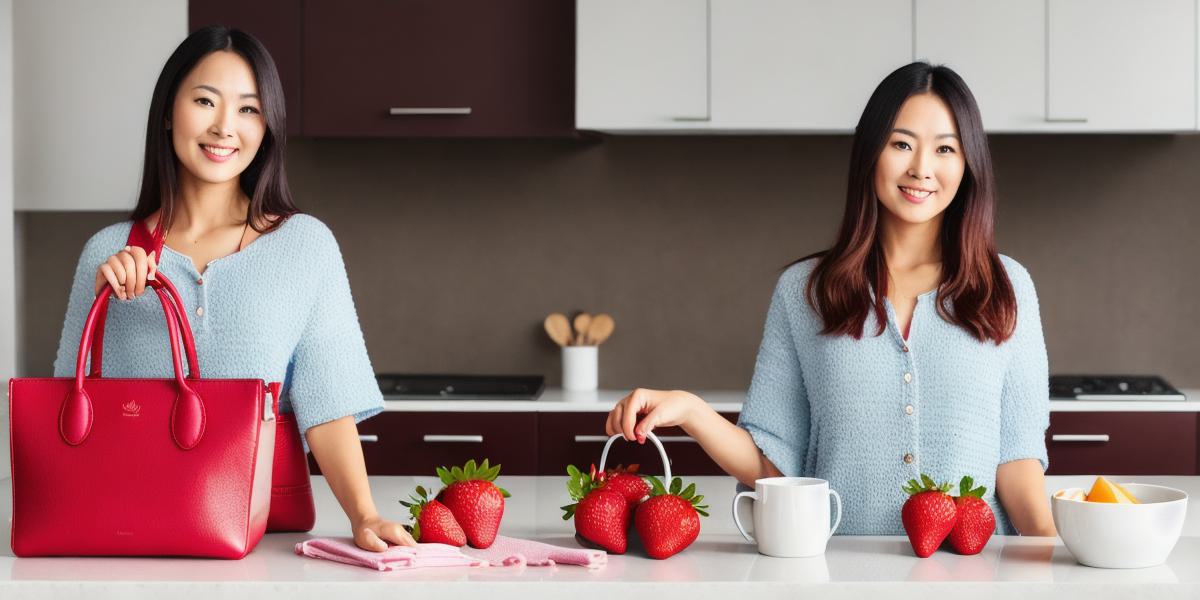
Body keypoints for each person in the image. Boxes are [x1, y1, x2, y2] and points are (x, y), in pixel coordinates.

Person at [605, 62, 1055, 536]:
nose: (922, 168)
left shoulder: (1008, 287)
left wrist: (1056, 572)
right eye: (901, 144)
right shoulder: (805, 292)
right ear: (870, 152)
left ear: (967, 165)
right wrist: (692, 412)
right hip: (837, 574)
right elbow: (773, 468)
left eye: (945, 148)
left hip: (978, 577)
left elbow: (1017, 465)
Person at [52, 26, 415, 551]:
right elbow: (65, 410)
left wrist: (363, 515)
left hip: (260, 540)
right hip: (123, 534)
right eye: (204, 101)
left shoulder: (305, 245)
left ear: (267, 127)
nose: (225, 127)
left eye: (249, 109)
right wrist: (104, 300)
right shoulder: (107, 252)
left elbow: (327, 403)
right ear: (168, 111)